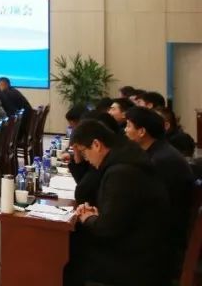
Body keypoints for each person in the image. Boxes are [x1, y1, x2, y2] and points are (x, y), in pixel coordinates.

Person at [64, 119, 170, 286]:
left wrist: (89, 218)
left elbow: (107, 228)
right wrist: (96, 215)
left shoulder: (121, 172)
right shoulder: (125, 156)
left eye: (84, 153)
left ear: (96, 145)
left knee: (69, 253)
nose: (86, 159)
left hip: (135, 260)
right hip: (141, 245)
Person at [124, 106, 193, 274]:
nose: (125, 130)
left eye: (128, 126)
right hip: (161, 231)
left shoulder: (160, 160)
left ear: (142, 131)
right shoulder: (159, 151)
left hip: (162, 244)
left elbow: (144, 205)